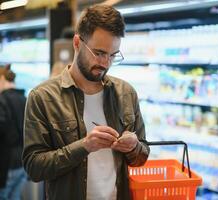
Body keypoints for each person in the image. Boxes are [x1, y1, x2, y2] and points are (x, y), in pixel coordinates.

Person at [22, 4, 150, 200]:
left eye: (113, 55)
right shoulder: (42, 97)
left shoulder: (126, 93)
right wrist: (84, 146)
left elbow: (142, 156)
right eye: (98, 53)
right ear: (77, 43)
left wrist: (134, 146)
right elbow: (34, 168)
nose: (105, 63)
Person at [0, 64, 27, 200]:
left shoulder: (2, 100)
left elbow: (4, 129)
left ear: (2, 79)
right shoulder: (26, 99)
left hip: (6, 163)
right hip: (23, 161)